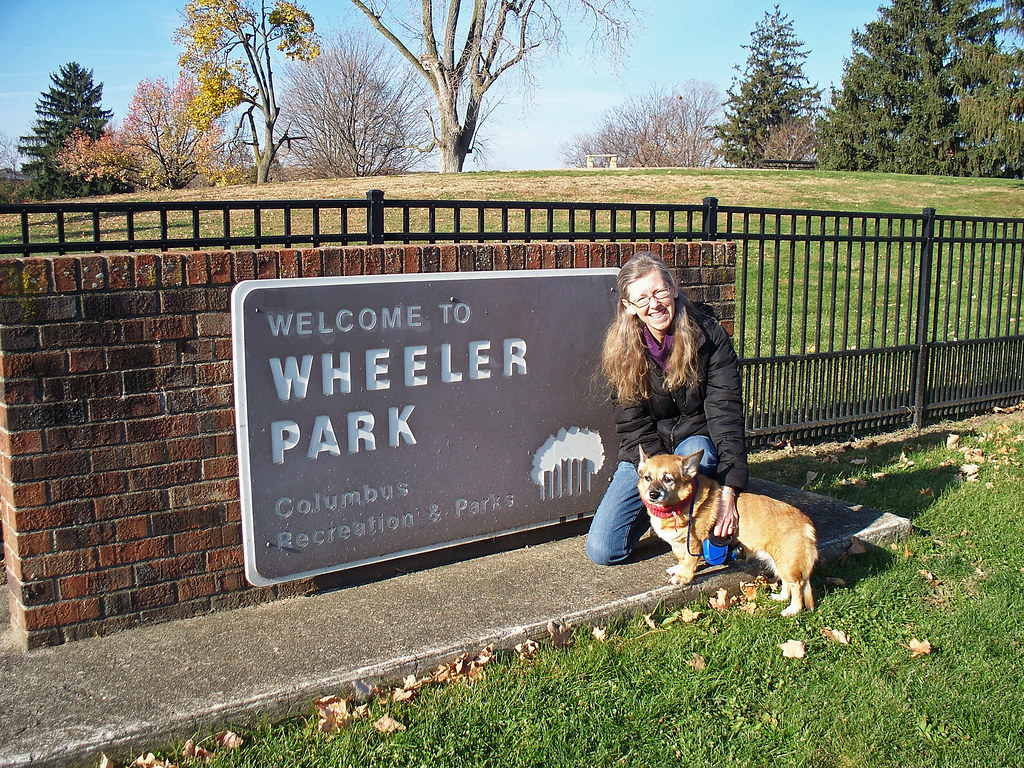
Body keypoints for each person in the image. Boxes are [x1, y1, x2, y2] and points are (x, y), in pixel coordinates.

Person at [586, 251, 748, 566]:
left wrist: (731, 491)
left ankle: (702, 530)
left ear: (673, 287)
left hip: (697, 443)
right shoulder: (623, 351)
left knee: (697, 452)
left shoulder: (709, 336)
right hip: (649, 457)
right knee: (604, 550)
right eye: (642, 298)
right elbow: (633, 429)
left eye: (659, 291)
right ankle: (667, 517)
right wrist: (654, 479)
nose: (655, 304)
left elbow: (726, 416)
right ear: (628, 307)